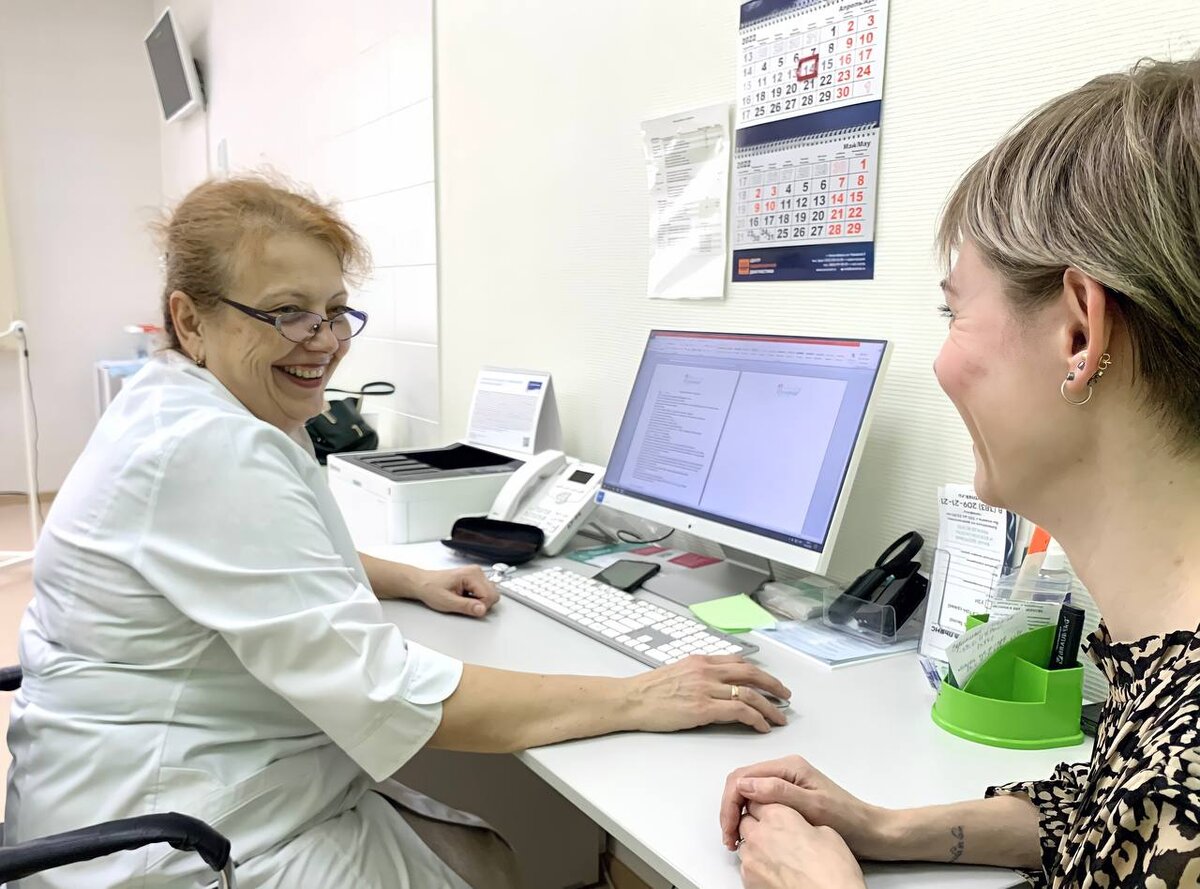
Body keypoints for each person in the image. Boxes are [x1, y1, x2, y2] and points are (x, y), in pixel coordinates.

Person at [2, 176, 791, 889]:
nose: (323, 341)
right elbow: (388, 691)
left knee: (487, 854)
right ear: (189, 318)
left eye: (334, 311)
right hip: (170, 834)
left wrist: (410, 578)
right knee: (491, 860)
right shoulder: (206, 447)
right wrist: (639, 693)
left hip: (177, 775)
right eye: (287, 313)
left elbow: (264, 558)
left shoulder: (194, 404)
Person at [721, 56, 1200, 889]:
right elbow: (1101, 822)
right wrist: (882, 826)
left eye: (955, 311)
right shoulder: (1165, 668)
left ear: (1079, 335)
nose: (943, 359)